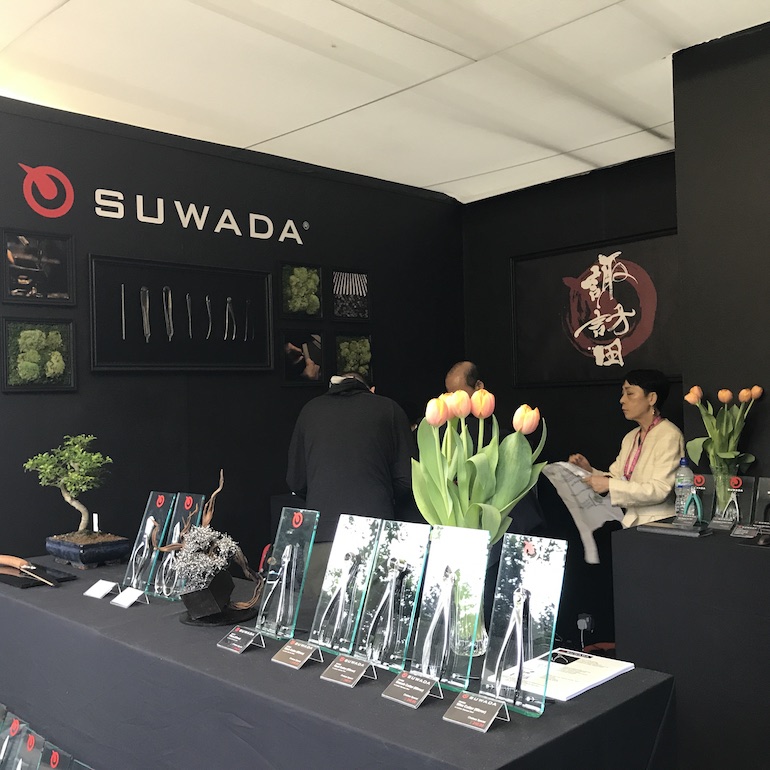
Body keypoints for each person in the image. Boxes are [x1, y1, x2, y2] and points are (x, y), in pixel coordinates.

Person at [286, 371, 416, 629]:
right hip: (376, 536)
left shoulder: (310, 410)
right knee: (372, 628)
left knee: (322, 628)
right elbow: (408, 479)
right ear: (371, 390)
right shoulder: (388, 409)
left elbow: (295, 481)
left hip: (323, 534)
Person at [569, 369, 684, 528]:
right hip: (631, 525)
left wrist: (608, 485)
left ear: (651, 398)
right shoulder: (631, 437)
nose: (622, 400)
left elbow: (660, 490)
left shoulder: (669, 435)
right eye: (623, 393)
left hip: (660, 526)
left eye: (630, 393)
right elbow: (617, 477)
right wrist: (589, 471)